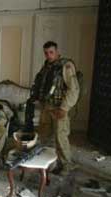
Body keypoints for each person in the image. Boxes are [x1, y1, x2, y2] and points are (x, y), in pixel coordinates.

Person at [29, 41, 80, 175]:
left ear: (57, 52)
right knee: (44, 136)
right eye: (46, 53)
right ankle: (50, 163)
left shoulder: (66, 65)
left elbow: (74, 89)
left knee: (60, 137)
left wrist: (64, 108)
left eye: (51, 52)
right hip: (47, 107)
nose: (49, 55)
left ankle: (67, 165)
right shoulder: (47, 66)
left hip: (59, 108)